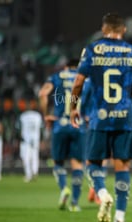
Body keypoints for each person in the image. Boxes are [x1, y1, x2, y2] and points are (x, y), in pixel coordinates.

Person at [69, 12, 132, 222]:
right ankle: (120, 217)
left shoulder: (92, 50)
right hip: (126, 118)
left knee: (93, 163)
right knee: (122, 166)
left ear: (103, 30)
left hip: (99, 117)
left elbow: (77, 83)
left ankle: (103, 193)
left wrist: (73, 107)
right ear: (123, 30)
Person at [39, 58, 88, 211]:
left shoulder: (57, 76)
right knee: (77, 163)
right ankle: (74, 202)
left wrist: (46, 114)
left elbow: (43, 94)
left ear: (65, 66)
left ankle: (63, 189)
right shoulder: (84, 78)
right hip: (78, 125)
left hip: (60, 124)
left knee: (58, 162)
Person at [17, 102, 43, 183]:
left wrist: (19, 137)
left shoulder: (23, 116)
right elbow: (42, 128)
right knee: (34, 157)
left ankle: (28, 175)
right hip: (35, 139)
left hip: (26, 140)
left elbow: (18, 128)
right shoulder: (38, 115)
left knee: (26, 158)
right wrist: (41, 139)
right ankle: (35, 172)